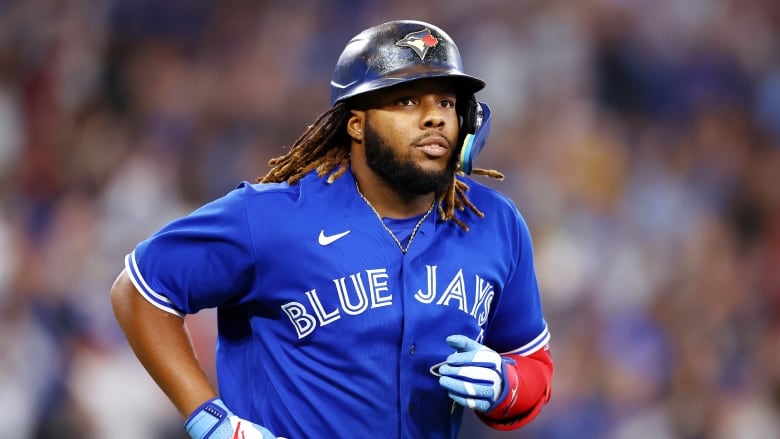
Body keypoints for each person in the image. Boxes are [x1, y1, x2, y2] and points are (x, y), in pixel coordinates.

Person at [110, 19, 553, 439]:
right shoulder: (270, 217)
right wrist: (210, 418)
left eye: (446, 103)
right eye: (406, 100)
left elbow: (531, 359)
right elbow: (140, 291)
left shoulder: (493, 223)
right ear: (356, 124)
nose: (434, 117)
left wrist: (505, 382)